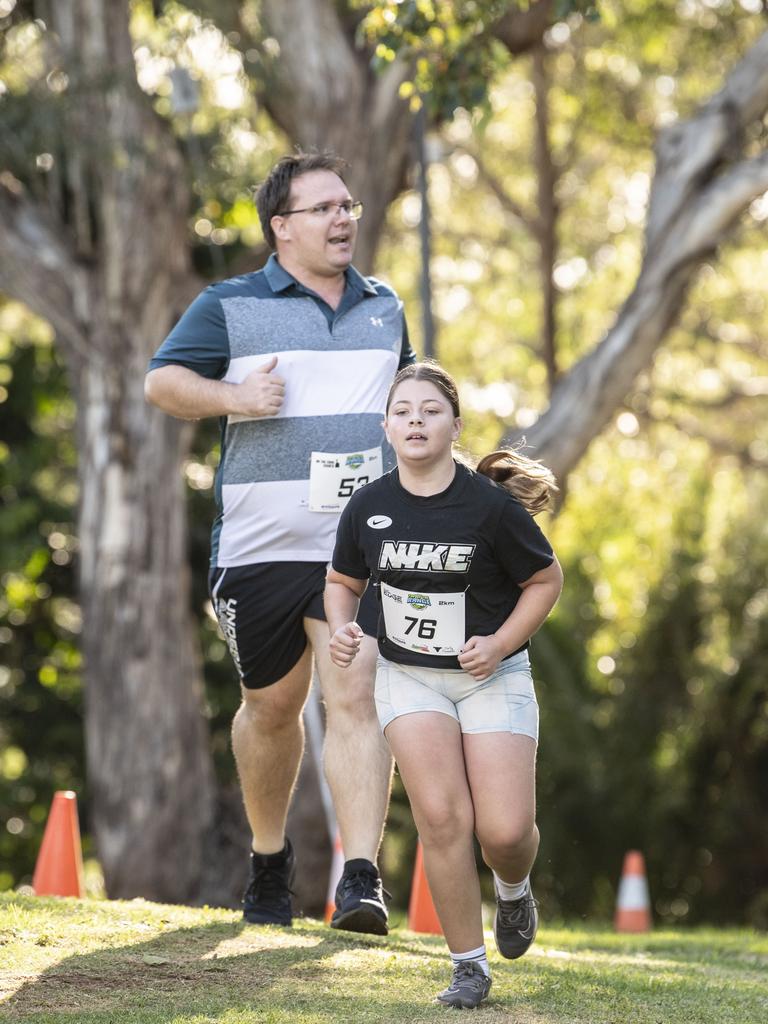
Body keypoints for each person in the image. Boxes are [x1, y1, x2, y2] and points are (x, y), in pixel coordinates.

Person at [145, 152, 415, 934]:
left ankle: (359, 880)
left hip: (354, 550)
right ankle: (270, 863)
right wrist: (235, 396)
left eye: (349, 205)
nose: (344, 219)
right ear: (282, 227)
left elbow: (406, 402)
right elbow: (163, 382)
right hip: (259, 549)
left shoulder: (384, 306)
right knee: (270, 709)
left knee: (356, 692)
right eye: (324, 208)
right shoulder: (230, 304)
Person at [325, 362, 563, 1008]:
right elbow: (342, 583)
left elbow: (546, 581)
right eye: (403, 412)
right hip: (410, 680)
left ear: (455, 427)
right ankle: (467, 966)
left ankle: (514, 892)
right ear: (386, 427)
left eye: (430, 411)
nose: (416, 422)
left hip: (490, 676)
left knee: (506, 833)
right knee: (440, 817)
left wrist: (500, 643)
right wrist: (344, 629)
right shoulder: (368, 506)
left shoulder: (487, 509)